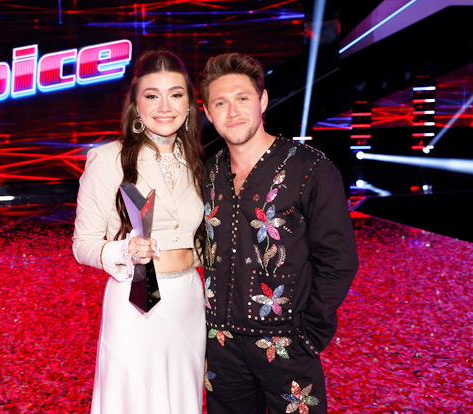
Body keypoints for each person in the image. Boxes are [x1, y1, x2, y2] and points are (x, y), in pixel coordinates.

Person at [199, 53, 358, 414]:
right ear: (208, 112)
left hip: (287, 345)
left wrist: (309, 335)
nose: (233, 111)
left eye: (242, 98)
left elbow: (339, 260)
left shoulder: (310, 169)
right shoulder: (208, 172)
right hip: (220, 346)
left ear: (263, 101)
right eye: (220, 103)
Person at [72, 50, 206, 414]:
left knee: (182, 398)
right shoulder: (108, 158)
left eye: (175, 94)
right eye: (152, 95)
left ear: (189, 104)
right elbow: (83, 244)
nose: (165, 106)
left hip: (188, 300)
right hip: (137, 301)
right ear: (136, 105)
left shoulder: (198, 162)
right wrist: (124, 251)